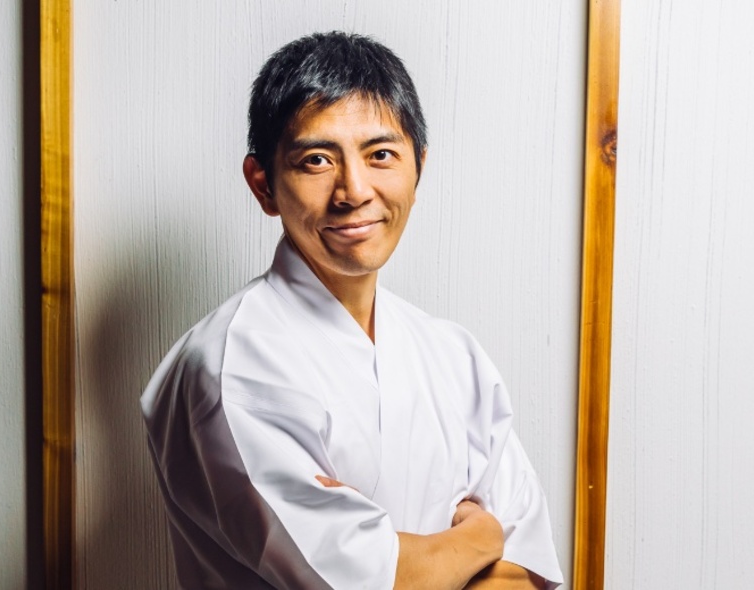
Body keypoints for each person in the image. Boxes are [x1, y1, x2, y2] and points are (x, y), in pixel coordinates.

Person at [141, 31, 563, 589]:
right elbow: (381, 581)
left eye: (381, 154)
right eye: (316, 160)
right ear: (263, 184)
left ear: (418, 170)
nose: (354, 190)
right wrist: (480, 537)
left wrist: (424, 557)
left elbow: (526, 574)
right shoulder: (230, 365)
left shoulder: (452, 354)